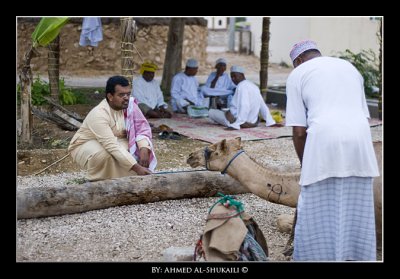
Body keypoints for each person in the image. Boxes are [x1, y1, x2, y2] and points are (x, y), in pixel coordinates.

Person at [285, 40, 380, 261]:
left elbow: (299, 132)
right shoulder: (349, 68)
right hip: (360, 140)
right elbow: (363, 115)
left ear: (298, 61)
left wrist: (305, 164)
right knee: (354, 205)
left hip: (323, 140)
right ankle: (354, 255)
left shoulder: (298, 74)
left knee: (315, 210)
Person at [68, 76, 156, 181]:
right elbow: (112, 146)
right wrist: (137, 168)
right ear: (110, 96)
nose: (126, 98)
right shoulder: (99, 114)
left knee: (133, 148)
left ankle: (126, 180)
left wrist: (144, 148)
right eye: (121, 95)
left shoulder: (130, 106)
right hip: (85, 145)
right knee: (106, 154)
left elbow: (142, 128)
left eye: (128, 94)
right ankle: (98, 183)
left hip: (113, 141)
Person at [208, 65, 277, 130]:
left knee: (211, 112)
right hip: (252, 122)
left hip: (238, 120)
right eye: (231, 77)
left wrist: (237, 124)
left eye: (235, 76)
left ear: (242, 75)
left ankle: (231, 122)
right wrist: (270, 121)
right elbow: (262, 105)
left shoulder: (241, 86)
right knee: (225, 112)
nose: (233, 79)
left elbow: (244, 105)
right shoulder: (254, 86)